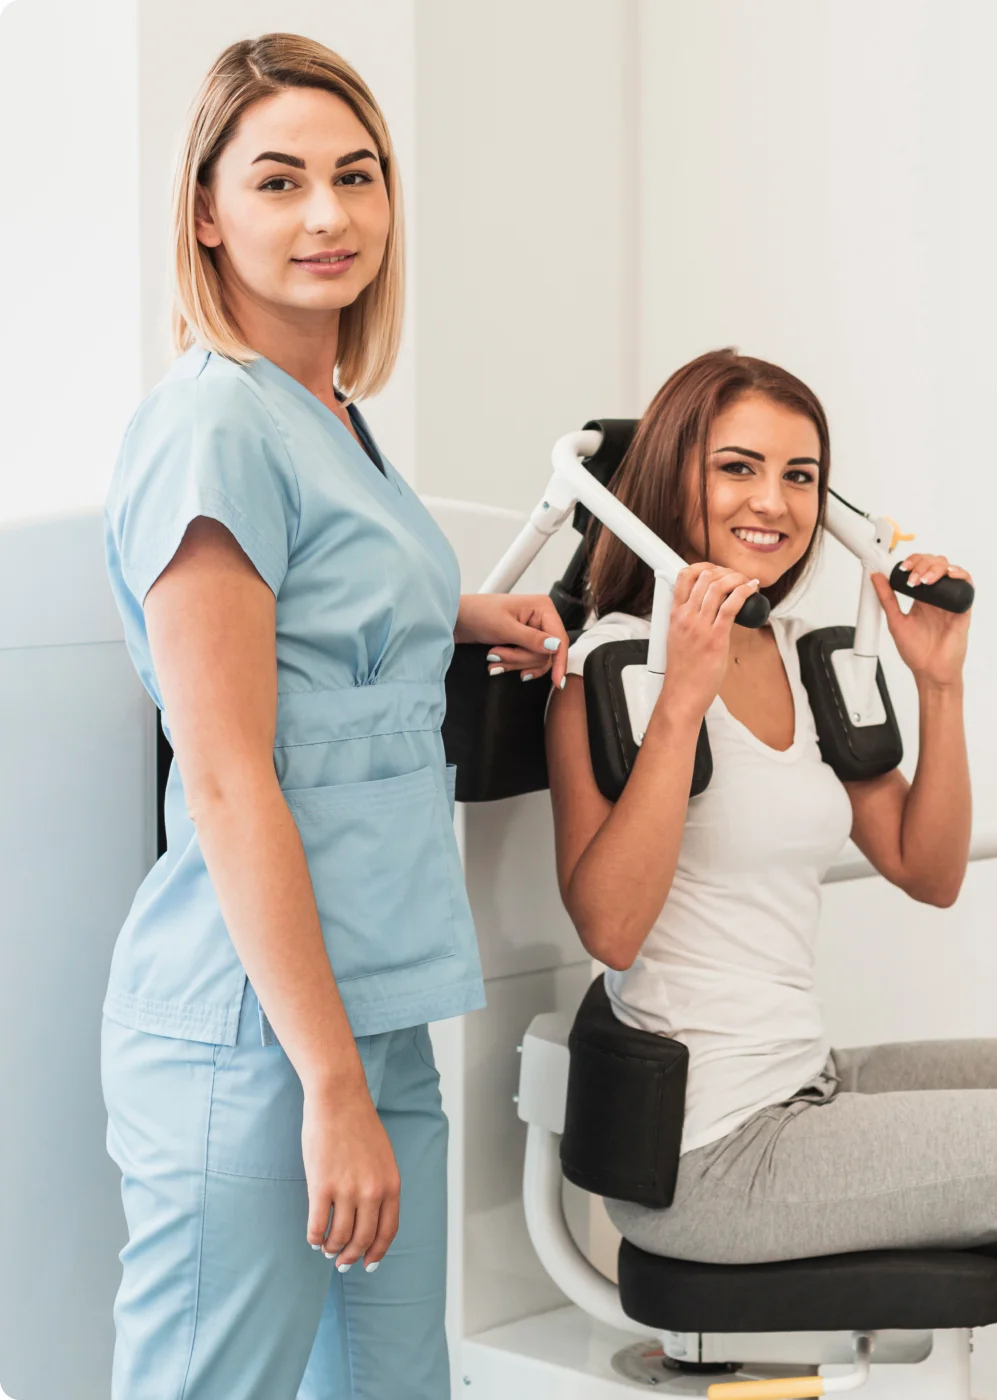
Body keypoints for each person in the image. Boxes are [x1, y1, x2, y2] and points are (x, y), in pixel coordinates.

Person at [544, 348, 997, 1400]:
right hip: (707, 1153)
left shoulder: (805, 654)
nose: (773, 502)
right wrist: (682, 700)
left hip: (806, 1083)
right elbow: (609, 926)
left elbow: (928, 870)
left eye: (799, 475)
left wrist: (940, 685)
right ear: (671, 480)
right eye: (737, 467)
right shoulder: (607, 668)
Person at [101, 33, 566, 1400]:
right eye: (279, 180)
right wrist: (328, 1085)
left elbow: (311, 605)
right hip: (260, 1036)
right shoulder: (213, 426)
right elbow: (228, 774)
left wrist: (456, 613)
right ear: (206, 211)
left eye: (356, 177)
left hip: (373, 1008)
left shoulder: (326, 412)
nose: (328, 215)